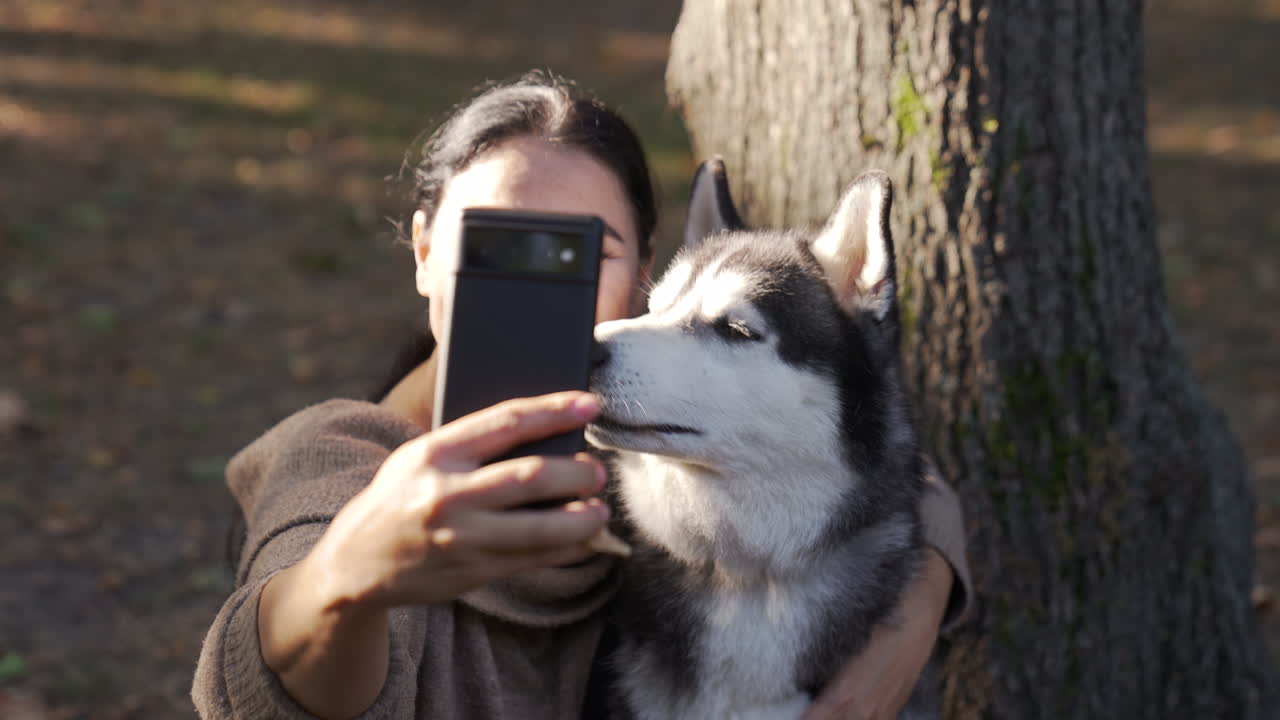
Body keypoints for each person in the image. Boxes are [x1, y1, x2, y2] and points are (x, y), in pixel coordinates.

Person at [192, 72, 972, 720]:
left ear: (645, 273)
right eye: (497, 244)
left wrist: (920, 596)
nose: (536, 286)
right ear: (426, 253)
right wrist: (344, 581)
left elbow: (861, 462)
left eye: (578, 252)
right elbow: (263, 678)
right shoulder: (337, 458)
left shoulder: (633, 429)